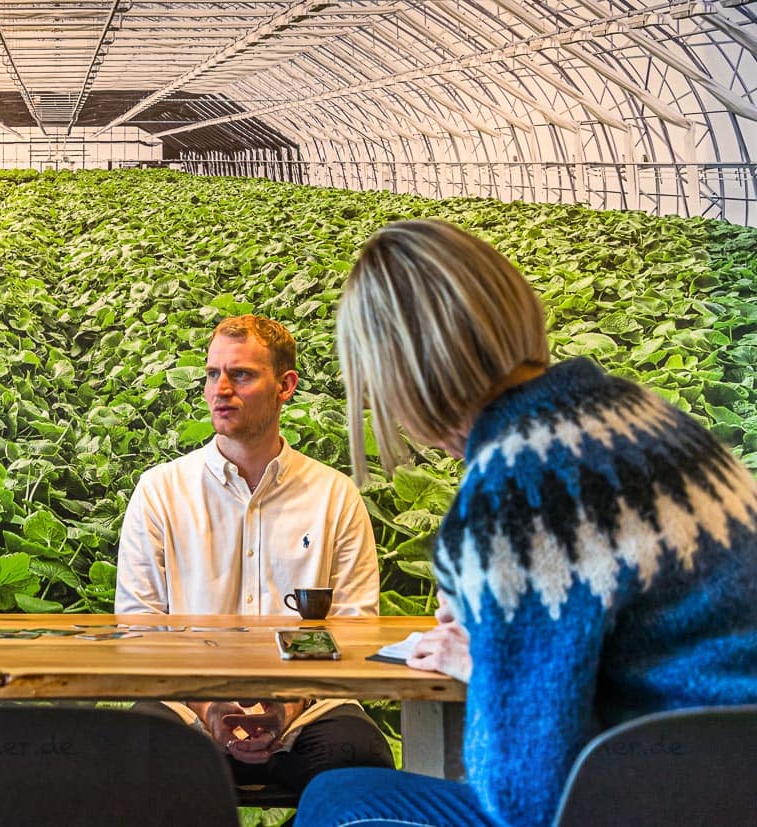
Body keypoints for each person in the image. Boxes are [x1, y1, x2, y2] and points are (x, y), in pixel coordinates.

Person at [296, 219, 757, 827]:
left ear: (401, 373)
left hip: (653, 801)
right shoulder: (648, 416)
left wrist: (490, 668)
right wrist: (504, 651)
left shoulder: (513, 490)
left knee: (335, 802)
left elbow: (525, 795)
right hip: (728, 782)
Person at [116, 314, 394, 793]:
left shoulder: (334, 495)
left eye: (240, 374)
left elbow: (354, 630)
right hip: (187, 706)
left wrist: (287, 706)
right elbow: (139, 624)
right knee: (133, 755)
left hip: (310, 710)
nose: (220, 389)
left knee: (361, 760)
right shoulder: (160, 491)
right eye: (211, 374)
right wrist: (210, 708)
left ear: (285, 386)